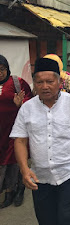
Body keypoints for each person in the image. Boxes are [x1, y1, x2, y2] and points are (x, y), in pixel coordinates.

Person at [10, 57, 70, 225]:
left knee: (67, 217)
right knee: (45, 219)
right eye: (39, 82)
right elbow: (20, 140)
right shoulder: (27, 108)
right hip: (40, 175)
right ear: (34, 83)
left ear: (59, 81)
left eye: (49, 81)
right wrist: (24, 169)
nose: (45, 86)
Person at [0, 55, 33, 208]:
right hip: (1, 132)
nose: (0, 73)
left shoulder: (17, 82)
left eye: (2, 69)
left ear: (7, 69)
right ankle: (8, 190)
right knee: (3, 163)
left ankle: (18, 190)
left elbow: (31, 100)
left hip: (15, 130)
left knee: (16, 161)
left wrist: (20, 103)